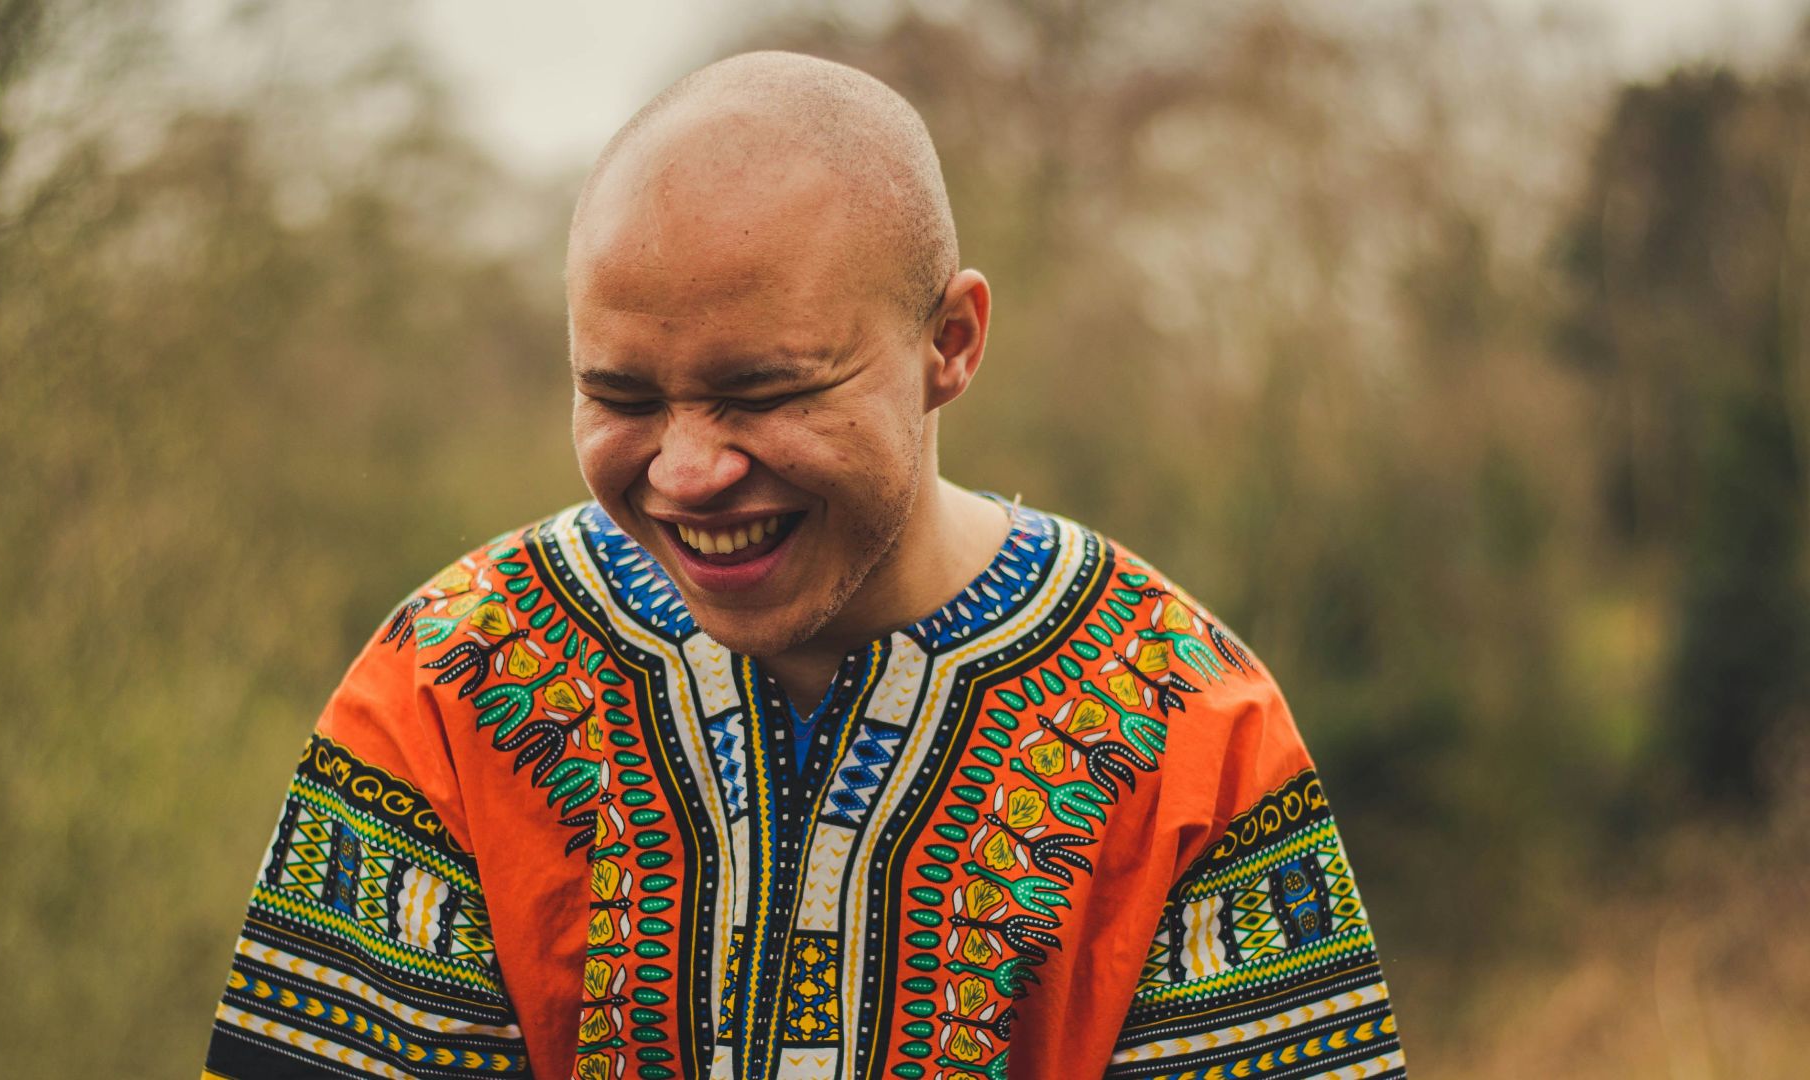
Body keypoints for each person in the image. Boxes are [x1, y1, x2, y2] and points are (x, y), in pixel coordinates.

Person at [203, 51, 1405, 1080]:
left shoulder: (1189, 733)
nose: (685, 471)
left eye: (761, 392)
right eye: (619, 396)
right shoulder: (450, 687)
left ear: (951, 342)